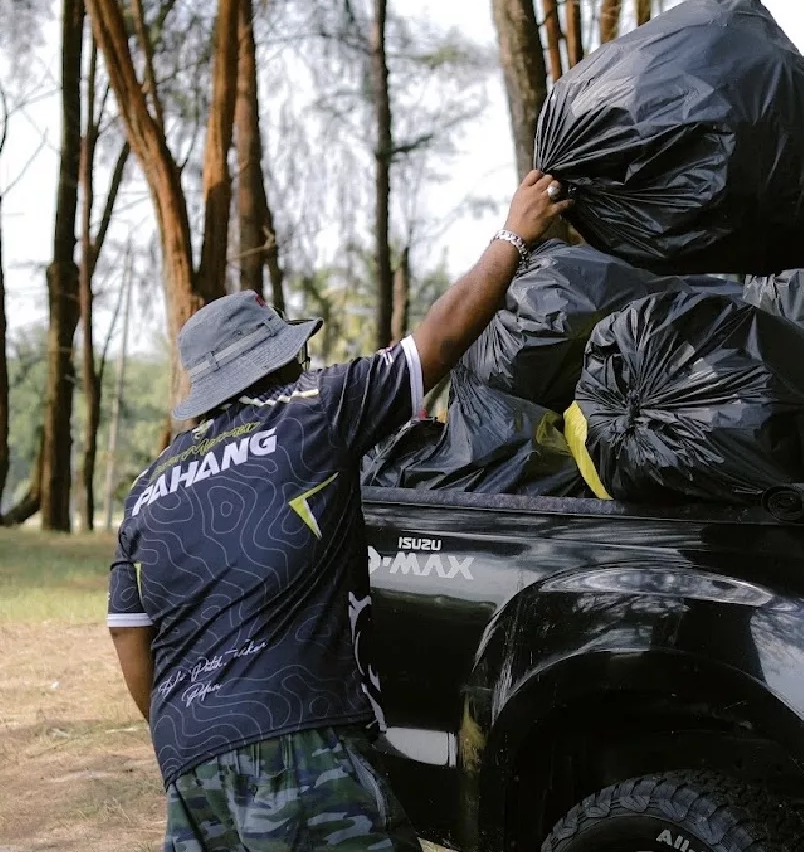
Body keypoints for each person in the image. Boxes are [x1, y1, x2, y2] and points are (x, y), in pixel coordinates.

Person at [106, 171, 572, 851]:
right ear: (280, 357)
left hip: (190, 762)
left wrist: (200, 728)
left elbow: (129, 638)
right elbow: (435, 345)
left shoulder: (146, 489)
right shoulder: (315, 408)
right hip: (297, 740)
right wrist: (514, 235)